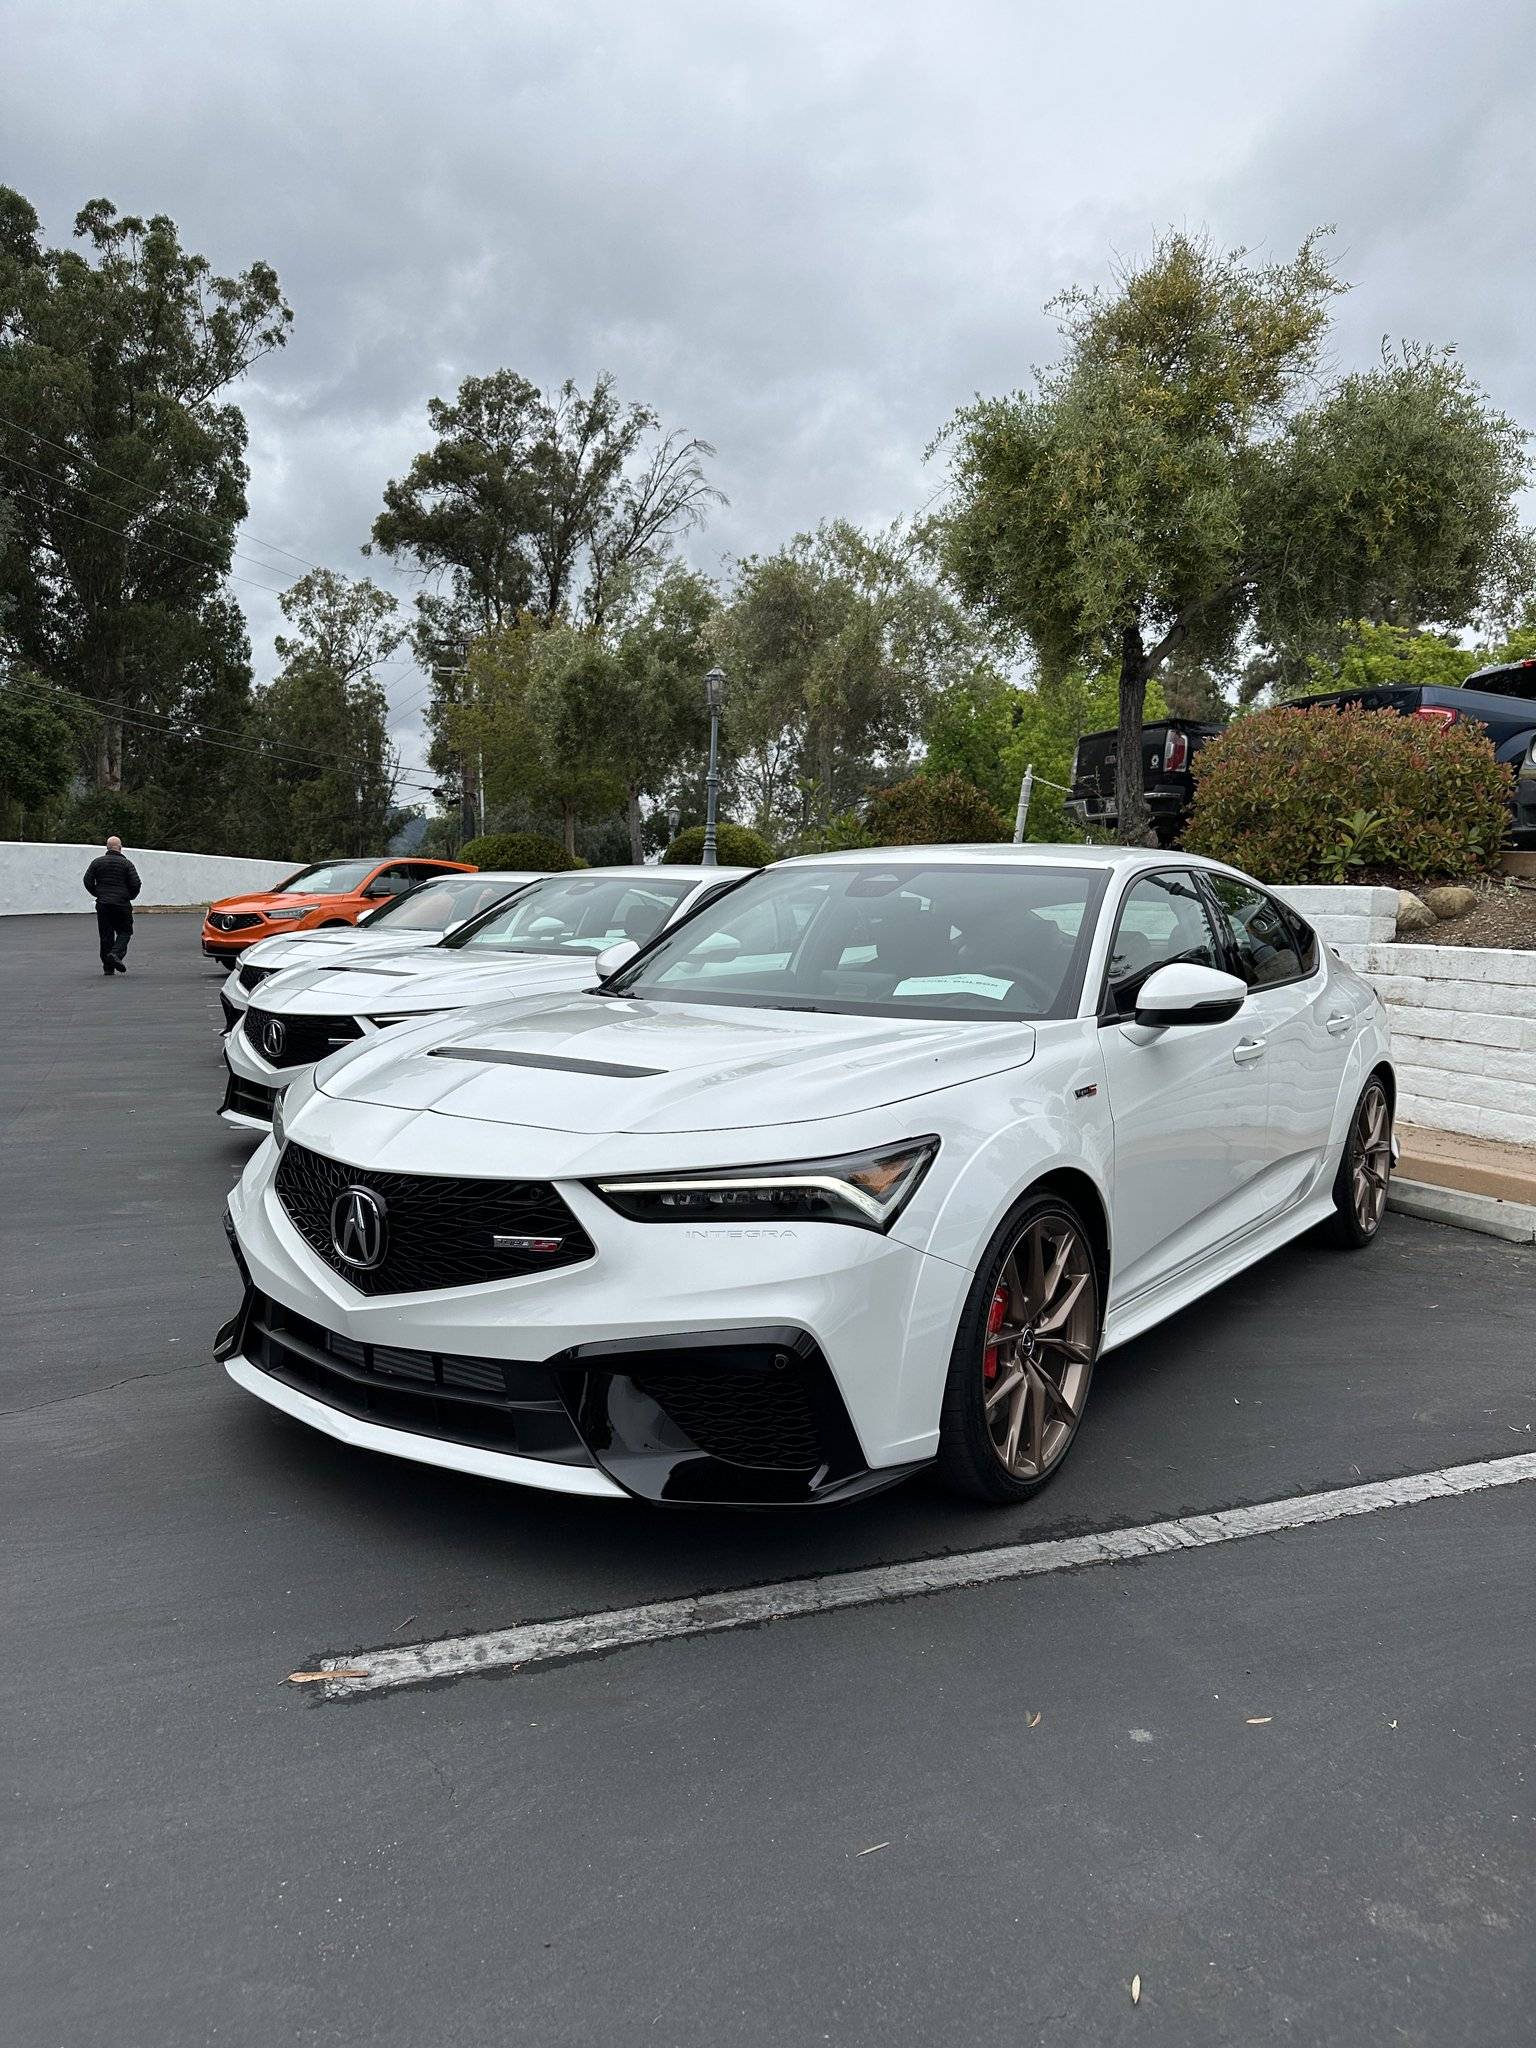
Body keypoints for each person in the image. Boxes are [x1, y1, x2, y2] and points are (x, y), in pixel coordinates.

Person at [83, 835, 141, 975]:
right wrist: (128, 896)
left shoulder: (97, 862)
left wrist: (98, 893)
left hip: (103, 904)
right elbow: (136, 883)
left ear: (107, 848)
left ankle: (108, 968)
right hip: (122, 904)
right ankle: (115, 954)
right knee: (125, 931)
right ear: (120, 848)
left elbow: (87, 880)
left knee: (106, 935)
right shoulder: (127, 864)